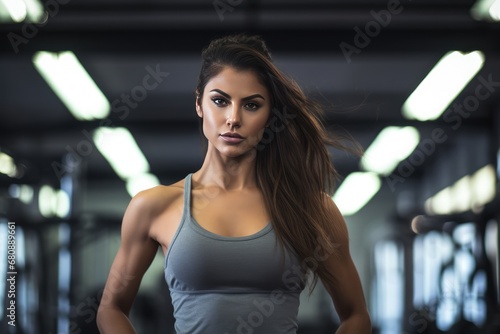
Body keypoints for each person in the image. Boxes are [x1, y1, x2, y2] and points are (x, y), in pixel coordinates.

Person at [96, 33, 371, 334]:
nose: (233, 118)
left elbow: (355, 316)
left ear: (269, 115)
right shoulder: (154, 206)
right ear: (199, 103)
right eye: (220, 101)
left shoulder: (312, 209)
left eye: (252, 105)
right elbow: (111, 309)